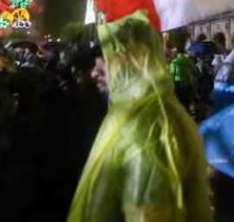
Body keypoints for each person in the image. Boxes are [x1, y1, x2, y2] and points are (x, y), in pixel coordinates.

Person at [68, 12, 211, 222]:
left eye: (106, 58)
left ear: (135, 58)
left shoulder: (152, 122)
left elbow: (149, 210)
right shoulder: (133, 109)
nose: (94, 72)